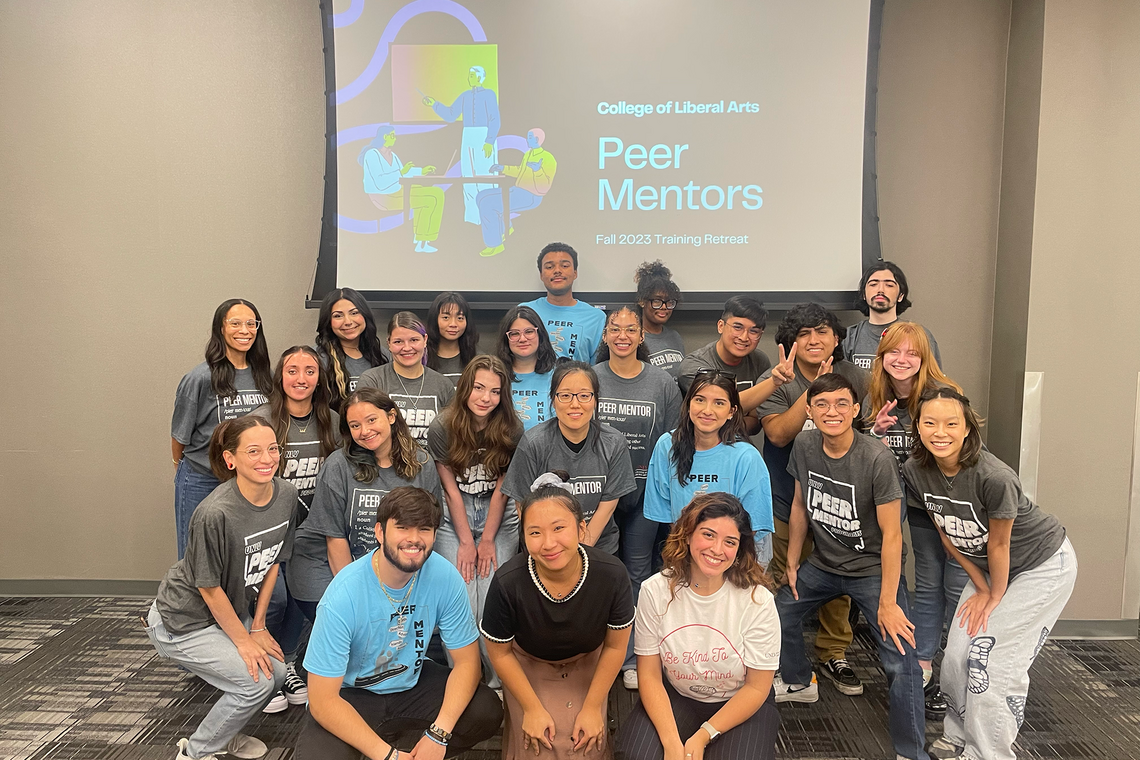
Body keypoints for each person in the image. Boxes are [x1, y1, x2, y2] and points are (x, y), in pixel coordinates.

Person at [904, 388, 1075, 760]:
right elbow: (949, 535)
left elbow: (999, 546)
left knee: (990, 660)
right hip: (988, 571)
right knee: (954, 657)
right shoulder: (915, 470)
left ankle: (988, 753)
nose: (940, 432)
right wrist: (981, 587)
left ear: (967, 429)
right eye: (929, 422)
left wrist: (993, 596)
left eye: (951, 423)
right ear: (917, 426)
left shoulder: (994, 476)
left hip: (1039, 566)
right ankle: (958, 735)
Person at [775, 374, 929, 760]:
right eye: (822, 404)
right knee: (778, 610)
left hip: (873, 570)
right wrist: (792, 562)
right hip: (824, 563)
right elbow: (798, 506)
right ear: (809, 410)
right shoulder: (806, 444)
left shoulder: (876, 457)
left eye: (842, 404)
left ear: (856, 410)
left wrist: (889, 601)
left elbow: (893, 536)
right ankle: (797, 681)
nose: (832, 412)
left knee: (899, 656)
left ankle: (911, 751)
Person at [295, 487, 504, 759]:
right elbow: (323, 701)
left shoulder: (444, 577)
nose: (414, 540)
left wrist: (438, 734)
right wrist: (387, 755)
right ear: (380, 532)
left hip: (411, 683)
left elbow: (467, 663)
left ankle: (415, 749)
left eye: (424, 529)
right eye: (403, 528)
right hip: (352, 694)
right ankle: (388, 750)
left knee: (485, 709)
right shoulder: (343, 594)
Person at [146, 416, 296, 760]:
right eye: (254, 451)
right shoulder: (214, 512)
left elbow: (273, 562)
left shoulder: (285, 494)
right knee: (255, 682)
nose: (267, 459)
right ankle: (194, 754)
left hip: (227, 611)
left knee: (274, 674)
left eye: (273, 449)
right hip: (182, 620)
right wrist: (244, 641)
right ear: (231, 460)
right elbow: (209, 588)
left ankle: (224, 735)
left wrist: (257, 626)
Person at [755, 302, 868, 696]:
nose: (814, 340)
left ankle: (834, 652)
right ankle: (777, 659)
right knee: (780, 585)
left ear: (836, 338)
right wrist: (817, 390)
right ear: (792, 342)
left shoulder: (854, 377)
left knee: (838, 583)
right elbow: (778, 436)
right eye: (804, 334)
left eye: (822, 332)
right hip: (787, 502)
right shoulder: (780, 380)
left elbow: (863, 429)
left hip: (841, 506)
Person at [480, 472, 634, 760]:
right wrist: (532, 708)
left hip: (588, 662)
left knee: (582, 744)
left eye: (559, 528)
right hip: (527, 664)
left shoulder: (611, 574)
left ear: (581, 528)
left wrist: (591, 707)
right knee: (541, 744)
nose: (548, 543)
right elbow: (500, 653)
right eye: (535, 532)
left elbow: (615, 646)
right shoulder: (507, 582)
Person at [617, 493, 781, 760]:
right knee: (636, 755)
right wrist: (671, 743)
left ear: (739, 550)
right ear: (688, 534)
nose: (717, 549)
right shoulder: (654, 590)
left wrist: (704, 734)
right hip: (677, 695)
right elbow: (648, 676)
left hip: (739, 700)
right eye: (708, 535)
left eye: (730, 542)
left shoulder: (757, 600)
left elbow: (757, 687)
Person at [864, 322, 965, 718]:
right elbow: (865, 451)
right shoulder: (877, 396)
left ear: (924, 359)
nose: (902, 360)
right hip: (909, 504)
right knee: (926, 582)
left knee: (957, 583)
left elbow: (965, 450)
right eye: (895, 352)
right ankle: (923, 666)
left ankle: (961, 667)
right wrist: (874, 431)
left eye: (912, 354)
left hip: (949, 504)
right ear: (883, 356)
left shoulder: (944, 396)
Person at [288, 388, 443, 623]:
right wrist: (359, 596)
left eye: (371, 420)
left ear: (391, 417)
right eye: (355, 425)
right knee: (352, 622)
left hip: (388, 565)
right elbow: (334, 539)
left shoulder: (422, 463)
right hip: (324, 563)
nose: (365, 431)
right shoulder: (338, 465)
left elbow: (428, 529)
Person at [592, 304, 682, 688]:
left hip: (645, 496)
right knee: (598, 575)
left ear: (641, 336)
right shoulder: (591, 378)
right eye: (616, 328)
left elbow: (674, 442)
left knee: (638, 575)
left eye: (631, 329)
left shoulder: (661, 383)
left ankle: (632, 659)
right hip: (598, 495)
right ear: (606, 335)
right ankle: (597, 650)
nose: (623, 335)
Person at [252, 345, 342, 713]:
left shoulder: (332, 421)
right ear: (280, 376)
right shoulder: (261, 420)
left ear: (319, 378)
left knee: (296, 599)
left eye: (309, 371)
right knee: (273, 601)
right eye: (292, 370)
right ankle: (264, 672)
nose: (301, 378)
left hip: (311, 532)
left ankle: (286, 663)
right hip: (271, 528)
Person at [427, 355, 523, 690]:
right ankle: (465, 680)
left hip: (500, 515)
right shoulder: (442, 426)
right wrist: (467, 541)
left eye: (495, 391)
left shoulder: (512, 428)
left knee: (494, 597)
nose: (485, 397)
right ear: (465, 387)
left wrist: (487, 541)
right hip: (457, 514)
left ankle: (498, 683)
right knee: (464, 599)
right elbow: (450, 490)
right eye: (479, 388)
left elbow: (502, 491)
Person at [172, 299, 272, 559]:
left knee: (240, 555)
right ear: (221, 328)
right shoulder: (200, 377)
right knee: (196, 556)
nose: (245, 330)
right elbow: (179, 435)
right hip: (201, 478)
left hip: (245, 480)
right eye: (235, 323)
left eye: (252, 324)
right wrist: (181, 468)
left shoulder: (264, 376)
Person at [502, 362, 637, 556]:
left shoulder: (614, 443)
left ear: (595, 400)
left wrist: (577, 551)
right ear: (553, 400)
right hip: (547, 550)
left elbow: (607, 507)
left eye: (584, 395)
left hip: (598, 547)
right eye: (565, 396)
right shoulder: (534, 443)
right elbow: (524, 506)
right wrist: (553, 549)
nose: (575, 404)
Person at [644, 370, 774, 559]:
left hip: (737, 556)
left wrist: (714, 557)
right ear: (688, 404)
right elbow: (669, 518)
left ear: (731, 412)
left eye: (719, 403)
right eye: (699, 400)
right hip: (686, 552)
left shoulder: (747, 457)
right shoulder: (667, 446)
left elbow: (751, 528)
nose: (707, 410)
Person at [676, 296, 772, 435]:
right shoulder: (695, 365)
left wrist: (724, 424)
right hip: (696, 445)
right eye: (737, 327)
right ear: (721, 326)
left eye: (753, 331)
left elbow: (755, 422)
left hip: (738, 446)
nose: (744, 337)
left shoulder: (759, 361)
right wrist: (774, 382)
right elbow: (714, 409)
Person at [359, 311, 456, 446]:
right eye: (398, 341)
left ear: (425, 340)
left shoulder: (444, 385)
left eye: (414, 340)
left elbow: (451, 437)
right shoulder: (372, 380)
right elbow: (364, 432)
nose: (407, 348)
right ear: (389, 343)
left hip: (430, 465)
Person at [423, 65, 500, 225]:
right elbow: (451, 115)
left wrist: (489, 141)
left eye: (471, 75)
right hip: (468, 136)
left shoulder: (489, 94)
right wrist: (434, 104)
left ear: (479, 77)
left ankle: (491, 219)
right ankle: (473, 219)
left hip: (484, 135)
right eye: (469, 75)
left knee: (486, 178)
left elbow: (495, 119)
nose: (469, 78)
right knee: (468, 176)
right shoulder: (465, 96)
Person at [843, 261, 942, 371]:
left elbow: (933, 383)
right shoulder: (848, 337)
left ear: (900, 296)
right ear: (863, 295)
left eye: (889, 285)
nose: (880, 290)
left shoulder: (920, 336)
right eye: (873, 284)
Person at [359, 124, 443, 252]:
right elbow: (380, 182)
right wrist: (402, 171)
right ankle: (422, 241)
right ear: (385, 137)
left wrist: (422, 171)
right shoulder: (372, 155)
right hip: (383, 196)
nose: (395, 138)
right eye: (393, 135)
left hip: (397, 191)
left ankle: (421, 238)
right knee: (430, 199)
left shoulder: (392, 154)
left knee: (437, 192)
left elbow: (403, 173)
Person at [521, 242, 607, 363]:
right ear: (541, 275)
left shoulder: (596, 318)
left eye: (565, 266)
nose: (557, 271)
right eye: (549, 267)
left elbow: (597, 370)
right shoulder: (524, 312)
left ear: (575, 273)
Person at [479, 128, 557, 257]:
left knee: (488, 204)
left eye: (530, 137)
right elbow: (520, 172)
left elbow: (544, 186)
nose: (527, 140)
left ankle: (495, 244)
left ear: (538, 139)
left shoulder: (548, 158)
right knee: (481, 196)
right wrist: (503, 168)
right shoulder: (528, 154)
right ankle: (505, 227)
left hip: (531, 196)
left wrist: (537, 171)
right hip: (517, 190)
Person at [496, 305, 559, 431]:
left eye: (529, 332)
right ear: (506, 339)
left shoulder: (557, 376)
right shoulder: (496, 375)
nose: (522, 339)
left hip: (544, 448)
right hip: (502, 448)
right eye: (514, 334)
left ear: (540, 334)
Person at [635, 261, 686, 378]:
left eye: (669, 302)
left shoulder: (675, 337)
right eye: (657, 301)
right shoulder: (633, 339)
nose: (664, 307)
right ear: (642, 301)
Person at [426, 291, 480, 385]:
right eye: (446, 317)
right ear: (435, 319)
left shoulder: (478, 359)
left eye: (460, 318)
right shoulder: (421, 357)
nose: (453, 324)